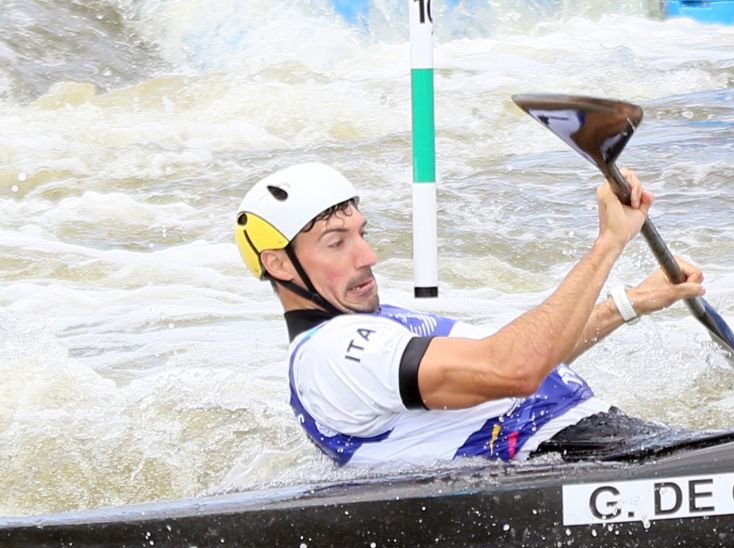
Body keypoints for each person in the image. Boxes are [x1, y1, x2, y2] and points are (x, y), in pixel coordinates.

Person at [235, 161, 705, 465]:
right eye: (337, 243)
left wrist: (629, 303)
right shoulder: (333, 354)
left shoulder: (374, 326)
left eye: (362, 234)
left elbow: (531, 355)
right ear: (278, 264)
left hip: (596, 444)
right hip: (563, 460)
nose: (368, 255)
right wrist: (609, 243)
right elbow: (514, 369)